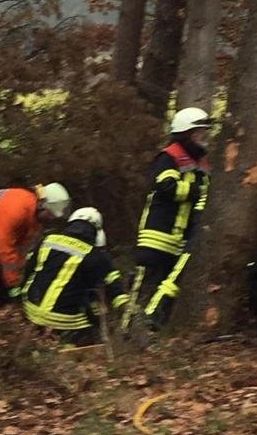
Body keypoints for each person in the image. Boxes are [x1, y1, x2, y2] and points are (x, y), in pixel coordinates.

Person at [124, 107, 212, 336]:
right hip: (157, 234)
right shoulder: (169, 156)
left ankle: (151, 329)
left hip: (177, 239)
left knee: (166, 285)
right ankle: (126, 332)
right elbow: (165, 186)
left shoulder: (201, 164)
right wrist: (195, 191)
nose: (204, 137)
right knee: (142, 287)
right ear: (187, 133)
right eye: (200, 133)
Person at [22, 207, 128, 347]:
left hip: (30, 311)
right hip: (65, 322)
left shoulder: (47, 241)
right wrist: (123, 310)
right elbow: (112, 286)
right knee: (91, 317)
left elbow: (27, 272)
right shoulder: (96, 256)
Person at [0, 183, 71, 305]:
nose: (51, 219)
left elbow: (20, 250)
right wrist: (12, 284)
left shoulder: (32, 219)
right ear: (42, 206)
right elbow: (5, 247)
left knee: (0, 273)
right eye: (50, 214)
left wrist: (17, 277)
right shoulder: (16, 209)